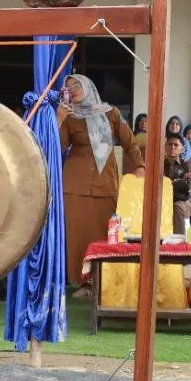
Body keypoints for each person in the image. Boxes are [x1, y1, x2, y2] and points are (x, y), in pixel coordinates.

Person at [59, 73, 143, 294]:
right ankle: (82, 282)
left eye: (77, 84)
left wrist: (140, 166)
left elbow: (130, 142)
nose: (73, 89)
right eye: (68, 87)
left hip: (105, 182)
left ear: (89, 86)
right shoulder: (69, 116)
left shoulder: (111, 113)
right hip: (75, 184)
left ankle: (103, 282)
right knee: (77, 236)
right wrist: (58, 120)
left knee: (105, 233)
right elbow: (58, 148)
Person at [162, 133, 191, 235]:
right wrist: (177, 182)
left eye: (176, 145)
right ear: (165, 146)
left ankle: (179, 241)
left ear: (182, 149)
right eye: (170, 144)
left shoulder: (188, 165)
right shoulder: (160, 165)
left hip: (184, 202)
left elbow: (188, 184)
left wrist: (168, 183)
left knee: (177, 206)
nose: (172, 147)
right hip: (164, 200)